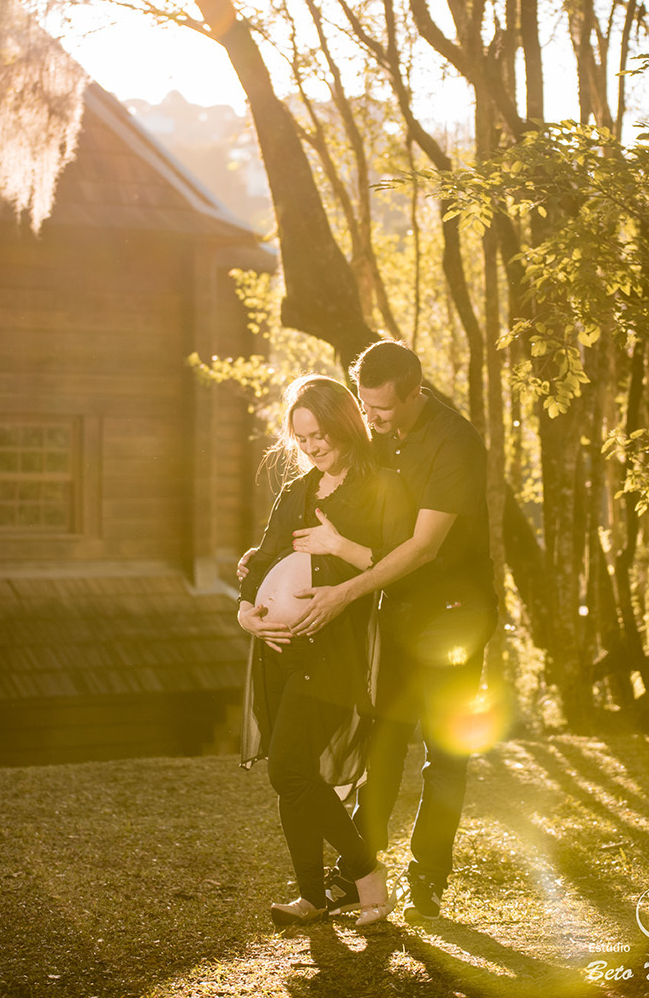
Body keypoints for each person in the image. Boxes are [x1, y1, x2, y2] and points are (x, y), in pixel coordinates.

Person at [290, 341, 497, 919]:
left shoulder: (455, 442)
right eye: (365, 404)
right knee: (381, 743)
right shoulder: (375, 433)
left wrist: (345, 588)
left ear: (413, 393)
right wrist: (268, 558)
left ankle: (427, 879)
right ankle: (355, 870)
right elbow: (338, 504)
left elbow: (424, 547)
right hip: (395, 611)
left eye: (381, 408)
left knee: (445, 752)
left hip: (453, 614)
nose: (371, 417)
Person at [238, 374, 414, 929]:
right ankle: (312, 896)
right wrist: (244, 611)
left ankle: (366, 874)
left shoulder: (381, 486)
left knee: (289, 769)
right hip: (281, 647)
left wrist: (338, 544)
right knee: (292, 773)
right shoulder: (296, 492)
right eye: (302, 438)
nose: (312, 447)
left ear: (345, 426)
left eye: (320, 435)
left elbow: (401, 565)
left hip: (337, 650)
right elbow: (263, 560)